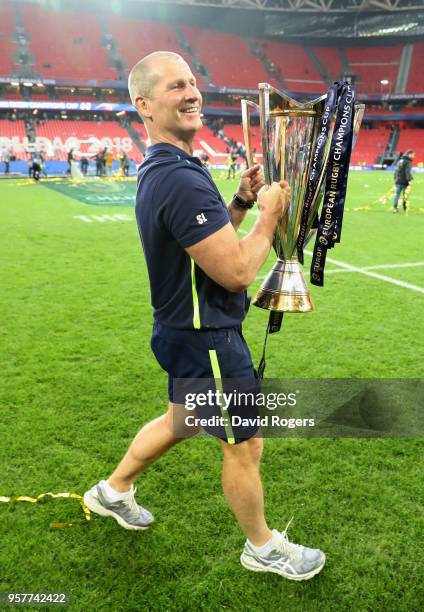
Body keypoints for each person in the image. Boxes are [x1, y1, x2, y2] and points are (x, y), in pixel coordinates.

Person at [84, 51, 325, 581]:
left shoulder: (171, 169)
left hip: (183, 330)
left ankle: (111, 491)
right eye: (175, 86)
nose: (192, 92)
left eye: (193, 81)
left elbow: (202, 245)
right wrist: (267, 220)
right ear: (144, 105)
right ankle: (262, 548)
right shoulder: (179, 178)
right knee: (246, 443)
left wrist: (238, 203)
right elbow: (236, 270)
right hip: (206, 337)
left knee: (183, 420)